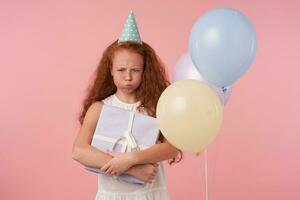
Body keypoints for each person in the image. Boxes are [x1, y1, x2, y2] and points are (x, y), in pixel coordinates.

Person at [72, 11, 182, 200]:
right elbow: (80, 151)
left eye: (135, 70)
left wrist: (132, 158)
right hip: (113, 195)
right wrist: (132, 170)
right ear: (111, 71)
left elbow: (173, 147)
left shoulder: (156, 106)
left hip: (150, 195)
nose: (128, 77)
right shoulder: (100, 108)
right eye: (121, 70)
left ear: (145, 71)